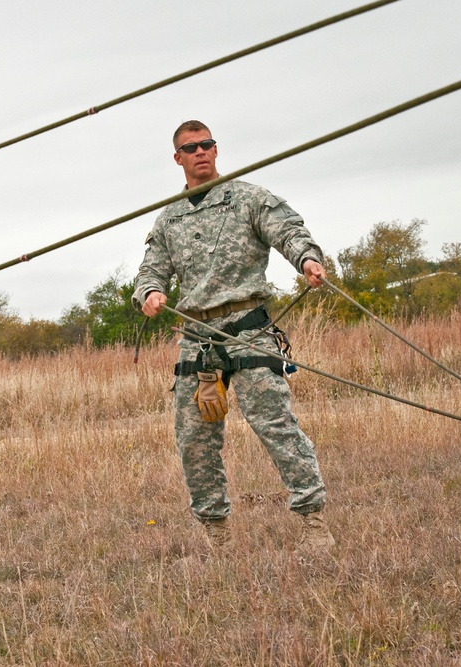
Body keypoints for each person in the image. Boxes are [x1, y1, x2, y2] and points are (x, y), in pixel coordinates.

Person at [133, 120, 335, 555]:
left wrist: (307, 260)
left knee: (276, 426)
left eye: (207, 144)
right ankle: (216, 537)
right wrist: (149, 292)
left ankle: (315, 526)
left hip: (249, 329)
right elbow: (150, 269)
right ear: (178, 158)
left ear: (216, 149)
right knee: (194, 440)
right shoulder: (168, 218)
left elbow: (289, 231)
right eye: (191, 147)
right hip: (197, 338)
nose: (200, 152)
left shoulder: (248, 198)